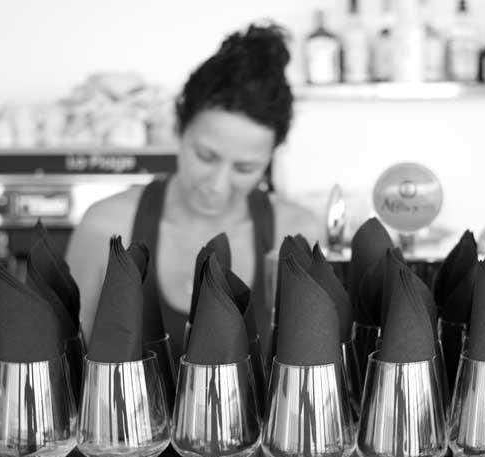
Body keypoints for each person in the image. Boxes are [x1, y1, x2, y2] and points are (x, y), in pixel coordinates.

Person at [67, 23, 320, 359]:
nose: (217, 185)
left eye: (245, 168)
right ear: (178, 129)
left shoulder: (296, 233)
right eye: (205, 157)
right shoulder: (105, 226)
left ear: (271, 158)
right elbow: (66, 368)